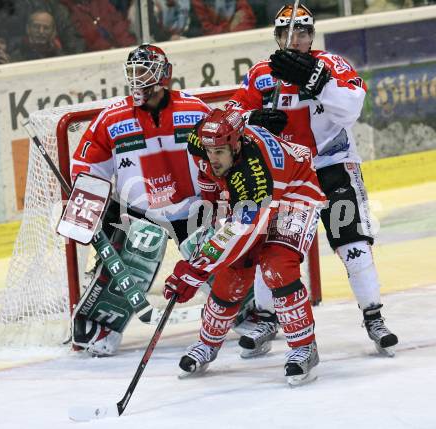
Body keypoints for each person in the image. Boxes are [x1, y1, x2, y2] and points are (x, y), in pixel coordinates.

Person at [226, 3, 399, 358]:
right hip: (285, 174)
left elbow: (352, 108)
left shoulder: (333, 66)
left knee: (353, 242)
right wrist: (255, 119)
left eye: (302, 32)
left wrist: (316, 81)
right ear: (276, 37)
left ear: (312, 35)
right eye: (287, 33)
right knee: (273, 247)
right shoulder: (262, 74)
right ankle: (266, 318)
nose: (295, 39)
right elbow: (231, 114)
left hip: (332, 164)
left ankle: (374, 316)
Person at [163, 108, 326, 385]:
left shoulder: (254, 176)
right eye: (209, 151)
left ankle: (304, 347)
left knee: (277, 266)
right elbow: (209, 174)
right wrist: (212, 212)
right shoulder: (200, 138)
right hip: (254, 199)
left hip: (295, 195)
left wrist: (195, 269)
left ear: (236, 144)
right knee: (233, 272)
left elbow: (241, 231)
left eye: (220, 153)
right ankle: (208, 343)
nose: (213, 159)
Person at [70, 44, 212, 356]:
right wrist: (88, 195)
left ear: (165, 74)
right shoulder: (112, 118)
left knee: (213, 255)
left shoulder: (195, 111)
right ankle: (99, 325)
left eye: (145, 70)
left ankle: (246, 311)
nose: (138, 78)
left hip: (194, 209)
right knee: (136, 255)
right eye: (133, 71)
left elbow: (222, 154)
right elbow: (86, 163)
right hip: (139, 213)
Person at [61, 0, 136, 52]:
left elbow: (118, 25)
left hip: (117, 54)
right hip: (92, 61)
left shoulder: (101, 2)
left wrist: (127, 46)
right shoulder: (64, 10)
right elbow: (77, 44)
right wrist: (107, 49)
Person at [190, 0, 256, 36]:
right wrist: (229, 27)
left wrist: (232, 34)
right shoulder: (196, 2)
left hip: (239, 40)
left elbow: (247, 19)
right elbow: (207, 31)